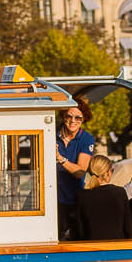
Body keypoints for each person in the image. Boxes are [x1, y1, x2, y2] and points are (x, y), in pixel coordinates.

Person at [54, 100, 95, 239]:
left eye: (78, 117)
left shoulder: (87, 139)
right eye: (69, 116)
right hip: (52, 198)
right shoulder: (50, 133)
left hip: (74, 199)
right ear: (63, 116)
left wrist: (60, 158)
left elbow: (80, 172)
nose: (73, 121)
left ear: (84, 119)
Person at [75, 154, 132, 240]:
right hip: (116, 247)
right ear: (108, 172)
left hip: (91, 248)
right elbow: (128, 228)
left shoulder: (82, 196)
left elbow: (79, 229)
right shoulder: (119, 193)